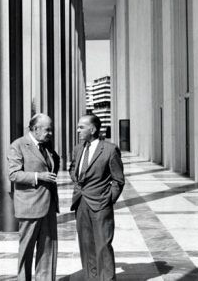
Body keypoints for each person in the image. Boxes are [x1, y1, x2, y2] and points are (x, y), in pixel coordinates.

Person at [69, 114, 125, 281]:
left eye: (81, 127)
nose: (78, 130)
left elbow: (118, 180)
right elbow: (73, 169)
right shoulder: (78, 148)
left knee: (103, 246)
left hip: (101, 205)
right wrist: (77, 181)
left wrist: (108, 199)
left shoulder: (109, 149)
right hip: (81, 203)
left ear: (92, 129)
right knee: (86, 246)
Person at [8, 113, 60, 281]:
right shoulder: (18, 145)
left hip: (49, 206)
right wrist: (39, 176)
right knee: (26, 251)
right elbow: (14, 175)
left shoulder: (47, 145)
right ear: (35, 129)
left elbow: (53, 163)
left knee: (48, 250)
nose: (51, 133)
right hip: (29, 206)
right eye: (48, 129)